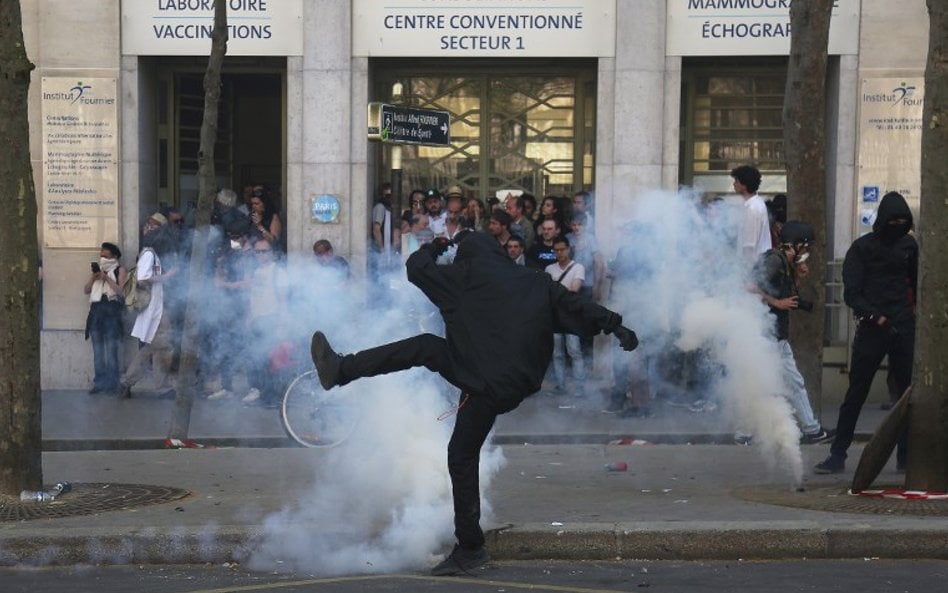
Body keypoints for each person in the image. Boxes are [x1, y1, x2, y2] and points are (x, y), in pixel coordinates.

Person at [309, 232, 639, 576]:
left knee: (428, 355)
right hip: (515, 382)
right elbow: (578, 307)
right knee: (459, 443)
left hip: (482, 381)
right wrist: (617, 327)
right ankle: (469, 543)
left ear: (465, 256)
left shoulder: (462, 277)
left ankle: (470, 548)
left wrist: (436, 246)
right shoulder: (534, 281)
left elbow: (415, 267)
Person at [815, 192, 917, 474]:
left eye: (902, 221)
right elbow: (852, 293)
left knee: (907, 396)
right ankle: (838, 454)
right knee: (856, 393)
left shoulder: (909, 246)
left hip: (903, 326)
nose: (897, 225)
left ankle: (905, 457)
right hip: (874, 328)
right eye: (893, 220)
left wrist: (909, 316)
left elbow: (917, 283)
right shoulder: (862, 249)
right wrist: (876, 317)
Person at [752, 221, 835, 444]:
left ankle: (811, 428)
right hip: (765, 334)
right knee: (769, 382)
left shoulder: (785, 263)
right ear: (796, 244)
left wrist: (799, 275)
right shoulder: (773, 260)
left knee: (787, 382)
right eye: (805, 247)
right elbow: (748, 286)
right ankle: (810, 429)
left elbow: (787, 291)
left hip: (775, 335)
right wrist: (776, 303)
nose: (806, 252)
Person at [120, 213, 178, 398]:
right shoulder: (149, 254)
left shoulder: (152, 254)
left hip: (157, 307)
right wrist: (168, 276)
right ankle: (143, 384)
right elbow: (144, 278)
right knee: (160, 345)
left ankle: (133, 383)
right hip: (154, 308)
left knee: (158, 346)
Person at [545, 236, 587, 396]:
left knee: (574, 351)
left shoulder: (578, 267)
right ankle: (561, 386)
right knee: (558, 353)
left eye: (562, 249)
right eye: (556, 250)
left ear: (568, 249)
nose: (559, 253)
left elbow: (575, 290)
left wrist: (557, 293)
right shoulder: (549, 269)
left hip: (571, 315)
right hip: (555, 315)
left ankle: (580, 387)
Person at [83, 242, 127, 394]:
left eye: (106, 256)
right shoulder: (98, 271)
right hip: (96, 312)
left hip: (112, 312)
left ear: (114, 256)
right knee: (98, 350)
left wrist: (107, 278)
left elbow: (121, 292)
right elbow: (86, 290)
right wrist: (94, 278)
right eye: (101, 255)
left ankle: (112, 383)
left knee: (111, 350)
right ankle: (99, 383)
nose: (102, 258)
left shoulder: (119, 270)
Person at [731, 165, 772, 264]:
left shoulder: (752, 209)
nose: (734, 184)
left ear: (744, 185)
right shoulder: (754, 204)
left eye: (736, 181)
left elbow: (749, 246)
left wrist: (745, 273)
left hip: (752, 268)